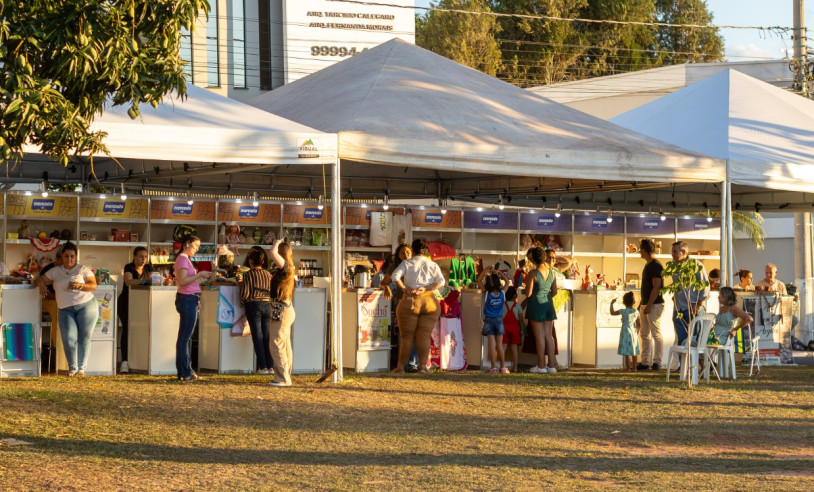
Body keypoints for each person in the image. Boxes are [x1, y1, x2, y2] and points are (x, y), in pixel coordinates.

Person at [36, 242, 98, 377]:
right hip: (65, 309)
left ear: (76, 257)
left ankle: (81, 369)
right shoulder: (55, 271)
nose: (69, 259)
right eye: (66, 256)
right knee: (68, 338)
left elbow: (93, 285)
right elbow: (39, 279)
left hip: (86, 305)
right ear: (61, 257)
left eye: (72, 256)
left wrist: (81, 286)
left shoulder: (82, 269)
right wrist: (41, 285)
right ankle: (72, 368)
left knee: (84, 337)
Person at [390, 244, 446, 374]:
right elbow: (441, 282)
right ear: (426, 251)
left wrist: (405, 288)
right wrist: (426, 288)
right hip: (429, 301)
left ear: (413, 251)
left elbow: (395, 277)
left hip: (410, 301)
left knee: (407, 337)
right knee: (424, 336)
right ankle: (422, 367)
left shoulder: (407, 263)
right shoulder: (432, 264)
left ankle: (401, 367)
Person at [174, 234, 211, 382]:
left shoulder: (184, 259)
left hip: (190, 298)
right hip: (187, 299)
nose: (196, 249)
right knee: (185, 337)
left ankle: (186, 369)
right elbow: (183, 281)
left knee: (186, 337)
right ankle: (185, 371)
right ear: (187, 243)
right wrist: (200, 274)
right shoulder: (183, 259)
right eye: (195, 246)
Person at [239, 247, 274, 375]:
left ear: (250, 261)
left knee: (257, 336)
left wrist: (242, 302)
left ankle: (262, 366)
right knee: (267, 336)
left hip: (253, 305)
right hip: (267, 305)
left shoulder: (247, 274)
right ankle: (270, 366)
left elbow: (245, 293)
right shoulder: (268, 274)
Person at [118, 246, 153, 373]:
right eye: (140, 256)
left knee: (141, 330)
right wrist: (145, 280)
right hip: (126, 303)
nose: (143, 259)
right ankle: (125, 362)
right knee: (128, 329)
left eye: (145, 257)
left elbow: (155, 279)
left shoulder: (149, 268)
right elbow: (128, 281)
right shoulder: (129, 267)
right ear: (134, 257)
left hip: (142, 303)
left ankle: (140, 360)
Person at [525, 246, 558, 374]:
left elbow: (528, 293)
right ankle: (551, 365)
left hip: (536, 305)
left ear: (533, 258)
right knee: (549, 336)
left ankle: (541, 365)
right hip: (548, 305)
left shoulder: (533, 273)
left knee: (539, 336)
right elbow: (554, 291)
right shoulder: (552, 272)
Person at [670, 241, 710, 346]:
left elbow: (704, 286)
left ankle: (694, 362)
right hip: (679, 309)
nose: (672, 255)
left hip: (693, 307)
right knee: (681, 341)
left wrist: (699, 305)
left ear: (683, 252)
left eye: (674, 252)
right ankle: (682, 362)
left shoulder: (696, 265)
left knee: (694, 340)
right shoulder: (674, 267)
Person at [268, 238, 296, 387]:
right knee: (284, 343)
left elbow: (272, 252)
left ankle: (283, 378)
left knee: (276, 342)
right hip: (284, 308)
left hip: (281, 308)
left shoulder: (286, 267)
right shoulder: (287, 268)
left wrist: (277, 243)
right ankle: (285, 375)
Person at [637, 239, 664, 371]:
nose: (639, 251)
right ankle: (645, 361)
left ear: (645, 250)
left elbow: (656, 287)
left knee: (655, 333)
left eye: (640, 249)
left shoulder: (655, 266)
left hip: (654, 304)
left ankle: (657, 361)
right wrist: (641, 304)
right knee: (644, 334)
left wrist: (649, 305)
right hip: (645, 303)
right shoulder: (648, 265)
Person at [478, 267, 509, 374]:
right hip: (499, 320)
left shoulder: (486, 293)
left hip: (489, 320)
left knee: (491, 344)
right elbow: (507, 282)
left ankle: (493, 368)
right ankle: (503, 367)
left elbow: (479, 280)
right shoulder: (502, 293)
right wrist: (500, 273)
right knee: (499, 345)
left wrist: (486, 269)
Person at [611, 292, 641, 372]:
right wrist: (636, 332)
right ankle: (634, 367)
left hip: (625, 332)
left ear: (624, 302)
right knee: (634, 350)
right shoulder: (636, 312)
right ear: (634, 302)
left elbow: (612, 313)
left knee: (626, 351)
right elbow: (639, 324)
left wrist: (612, 303)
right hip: (633, 332)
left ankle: (628, 368)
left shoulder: (623, 311)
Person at [503, 286, 524, 372]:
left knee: (503, 347)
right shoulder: (518, 306)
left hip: (504, 327)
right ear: (515, 296)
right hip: (515, 328)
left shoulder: (503, 305)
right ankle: (515, 368)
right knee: (514, 348)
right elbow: (521, 320)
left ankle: (502, 366)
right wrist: (521, 330)